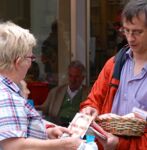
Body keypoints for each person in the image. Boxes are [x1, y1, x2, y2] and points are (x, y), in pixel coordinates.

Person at [0, 21, 83, 150]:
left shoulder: (6, 90)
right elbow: (14, 146)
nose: (31, 64)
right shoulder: (6, 96)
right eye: (30, 58)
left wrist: (46, 131)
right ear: (18, 62)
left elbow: (17, 127)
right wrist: (63, 145)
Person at [80, 0, 147, 150]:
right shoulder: (115, 63)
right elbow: (93, 100)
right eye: (126, 31)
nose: (130, 38)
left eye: (137, 32)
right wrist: (90, 109)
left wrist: (120, 144)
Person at [37, 60, 89, 126]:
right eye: (70, 76)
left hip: (77, 128)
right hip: (57, 126)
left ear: (82, 78)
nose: (73, 80)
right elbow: (44, 108)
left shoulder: (88, 94)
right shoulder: (56, 91)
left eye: (77, 77)